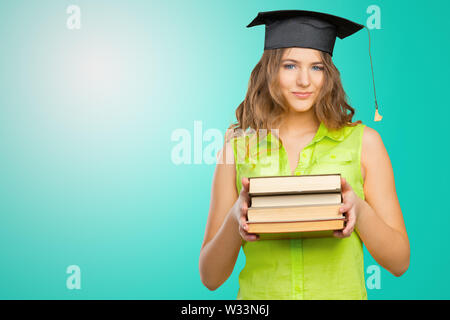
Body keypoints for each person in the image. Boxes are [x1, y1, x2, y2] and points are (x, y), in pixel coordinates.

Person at [199, 10, 410, 299]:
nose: (304, 81)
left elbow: (399, 262)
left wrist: (358, 211)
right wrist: (236, 218)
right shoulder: (236, 150)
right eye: (290, 66)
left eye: (316, 68)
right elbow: (210, 277)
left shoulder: (365, 143)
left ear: (329, 74)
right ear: (270, 69)